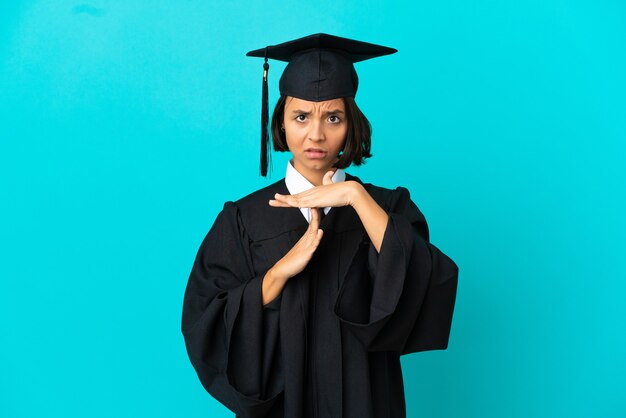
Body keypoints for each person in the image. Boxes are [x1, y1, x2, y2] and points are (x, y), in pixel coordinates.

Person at [181, 33, 459, 418]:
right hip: (285, 404)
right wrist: (276, 276)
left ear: (351, 124)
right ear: (280, 120)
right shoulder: (243, 219)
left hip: (368, 402)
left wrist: (356, 199)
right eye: (301, 116)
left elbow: (426, 283)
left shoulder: (387, 206)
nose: (316, 134)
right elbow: (203, 320)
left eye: (333, 117)